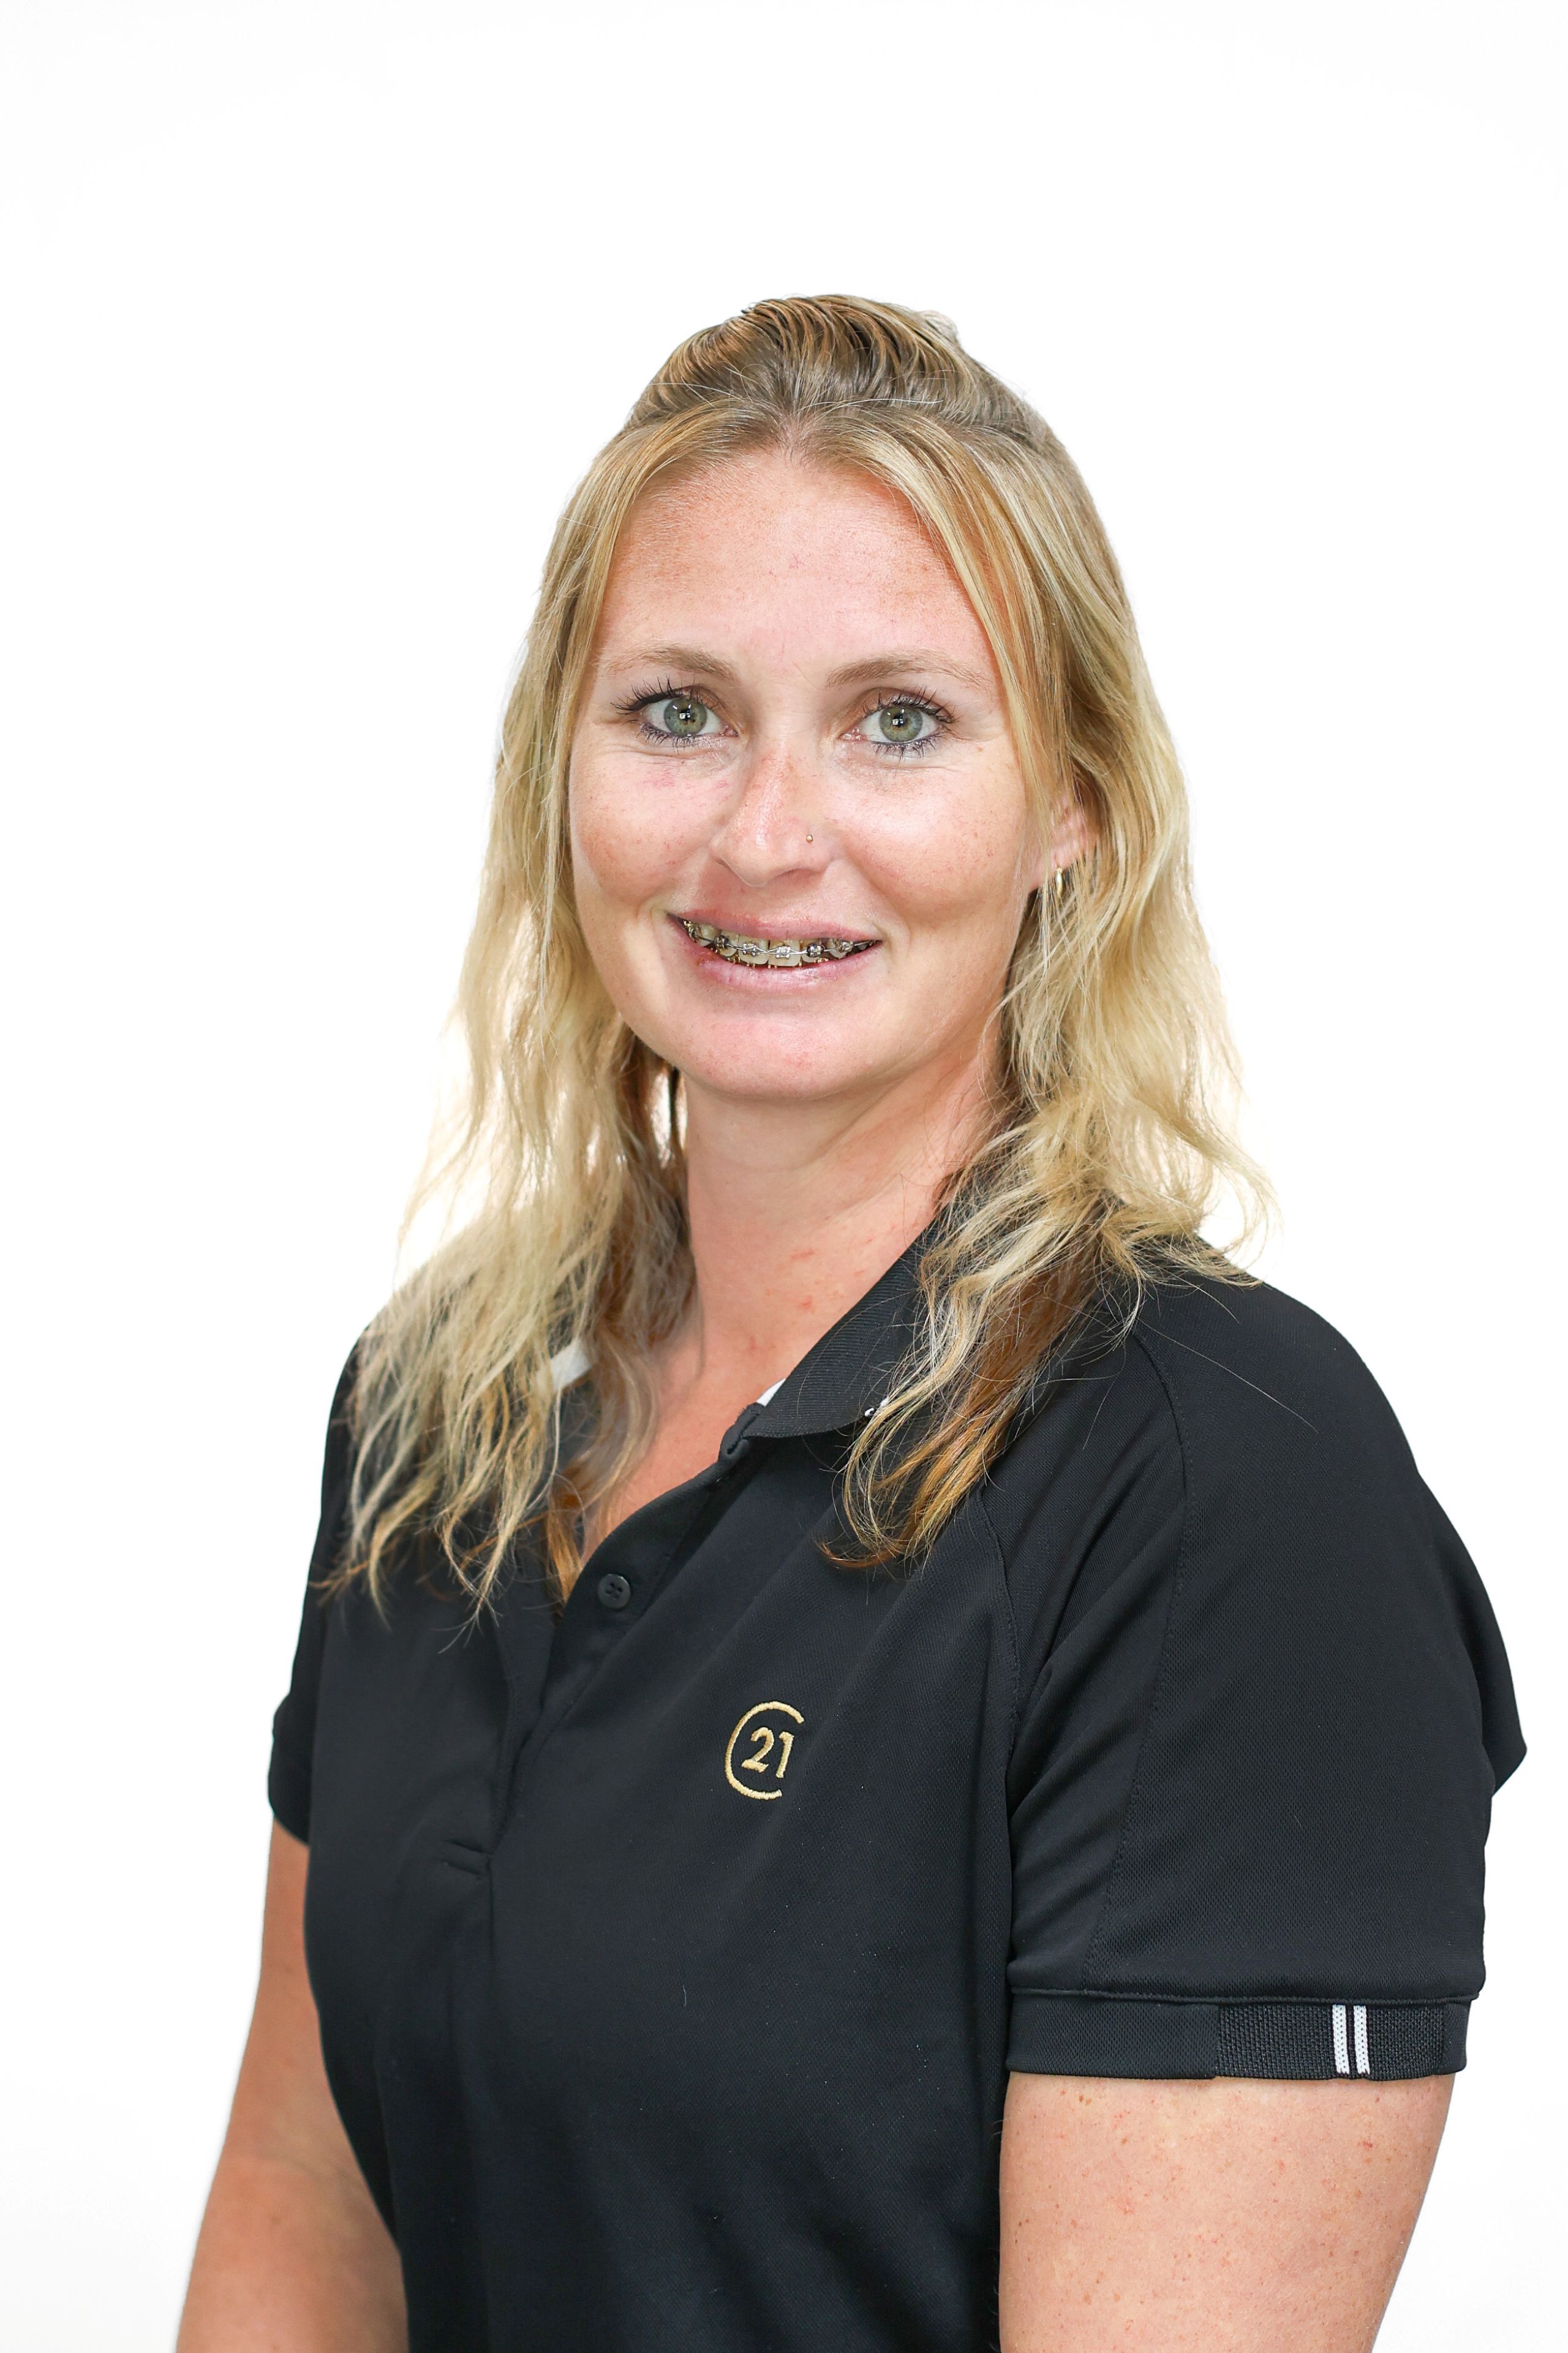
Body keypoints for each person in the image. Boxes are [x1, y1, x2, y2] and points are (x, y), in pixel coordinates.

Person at [178, 295, 1522, 2353]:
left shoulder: (1222, 1488)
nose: (764, 835)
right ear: (560, 768)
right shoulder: (438, 1407)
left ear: (1074, 801)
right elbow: (306, 2195)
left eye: (899, 721)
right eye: (678, 710)